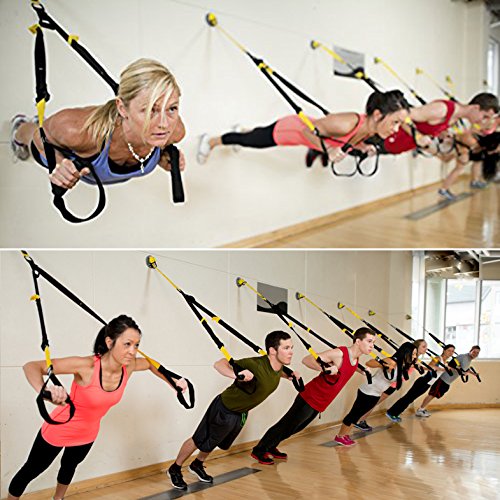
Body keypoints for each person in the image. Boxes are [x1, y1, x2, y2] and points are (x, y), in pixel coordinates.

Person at [8, 315, 187, 500]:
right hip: (60, 427)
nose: (133, 351)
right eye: (127, 344)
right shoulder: (86, 366)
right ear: (110, 342)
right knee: (31, 470)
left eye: (137, 345)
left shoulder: (129, 367)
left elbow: (151, 364)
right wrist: (45, 391)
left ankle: (58, 499)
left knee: (69, 466)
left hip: (88, 432)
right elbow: (31, 367)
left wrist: (172, 383)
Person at [10, 58, 186, 190]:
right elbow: (40, 137)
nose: (164, 124)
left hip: (97, 167)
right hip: (64, 143)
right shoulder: (77, 130)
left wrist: (162, 159)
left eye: (171, 108)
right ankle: (20, 128)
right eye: (150, 110)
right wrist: (59, 164)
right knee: (34, 134)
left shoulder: (174, 131)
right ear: (123, 109)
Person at [167, 330, 296, 491]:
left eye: (291, 347)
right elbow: (219, 364)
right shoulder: (255, 364)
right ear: (272, 350)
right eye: (286, 348)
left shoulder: (278, 368)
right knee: (199, 439)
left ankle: (197, 464)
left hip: (240, 413)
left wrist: (290, 376)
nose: (291, 352)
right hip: (224, 407)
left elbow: (274, 374)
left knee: (214, 440)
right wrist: (236, 375)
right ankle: (175, 468)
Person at [250, 327, 376, 465]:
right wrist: (326, 369)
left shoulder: (355, 358)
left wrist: (362, 370)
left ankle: (271, 446)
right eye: (369, 341)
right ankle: (259, 450)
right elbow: (307, 359)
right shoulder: (339, 353)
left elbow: (347, 366)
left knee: (296, 427)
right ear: (358, 341)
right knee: (286, 424)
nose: (372, 346)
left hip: (322, 401)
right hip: (310, 396)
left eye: (373, 342)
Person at [196, 90, 410, 165]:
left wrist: (362, 148)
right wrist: (328, 150)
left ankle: (244, 130)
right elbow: (309, 131)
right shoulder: (347, 123)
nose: (396, 129)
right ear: (378, 115)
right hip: (291, 129)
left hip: (297, 133)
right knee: (252, 142)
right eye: (395, 122)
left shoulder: (369, 130)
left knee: (256, 134)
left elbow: (349, 142)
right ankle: (211, 140)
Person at [334, 342, 417, 446]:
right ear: (406, 352)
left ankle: (345, 435)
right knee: (354, 414)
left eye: (415, 354)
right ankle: (339, 436)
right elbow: (369, 363)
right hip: (367, 391)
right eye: (413, 354)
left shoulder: (403, 365)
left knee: (358, 416)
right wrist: (382, 364)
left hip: (376, 393)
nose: (415, 357)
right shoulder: (391, 361)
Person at [354, 338, 428, 431]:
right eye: (424, 347)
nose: (426, 349)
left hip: (388, 386)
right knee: (371, 404)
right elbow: (369, 363)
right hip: (382, 386)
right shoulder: (396, 361)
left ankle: (360, 420)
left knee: (372, 403)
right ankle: (360, 420)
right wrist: (383, 365)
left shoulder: (409, 362)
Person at [385, 344, 455, 421]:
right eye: (449, 350)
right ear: (444, 350)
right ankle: (391, 413)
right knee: (408, 397)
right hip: (424, 381)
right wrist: (442, 369)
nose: (450, 353)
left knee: (410, 398)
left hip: (428, 384)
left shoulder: (446, 363)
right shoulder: (438, 358)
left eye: (452, 351)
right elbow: (430, 367)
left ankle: (395, 413)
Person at [415, 345, 481, 417]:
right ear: (470, 350)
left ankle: (422, 408)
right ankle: (420, 410)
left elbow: (463, 369)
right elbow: (452, 366)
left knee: (434, 395)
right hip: (443, 378)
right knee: (432, 394)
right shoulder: (464, 357)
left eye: (477, 353)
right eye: (474, 352)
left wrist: (473, 374)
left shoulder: (468, 359)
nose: (475, 354)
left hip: (448, 381)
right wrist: (463, 373)